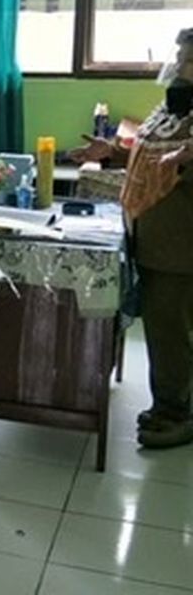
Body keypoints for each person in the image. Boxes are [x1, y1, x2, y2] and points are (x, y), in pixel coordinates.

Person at [70, 28, 193, 450]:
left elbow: (176, 169)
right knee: (164, 329)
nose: (178, 66)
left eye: (188, 60)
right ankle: (171, 404)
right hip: (152, 239)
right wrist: (112, 152)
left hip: (181, 249)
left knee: (172, 332)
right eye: (179, 56)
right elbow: (152, 159)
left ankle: (176, 414)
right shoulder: (171, 109)